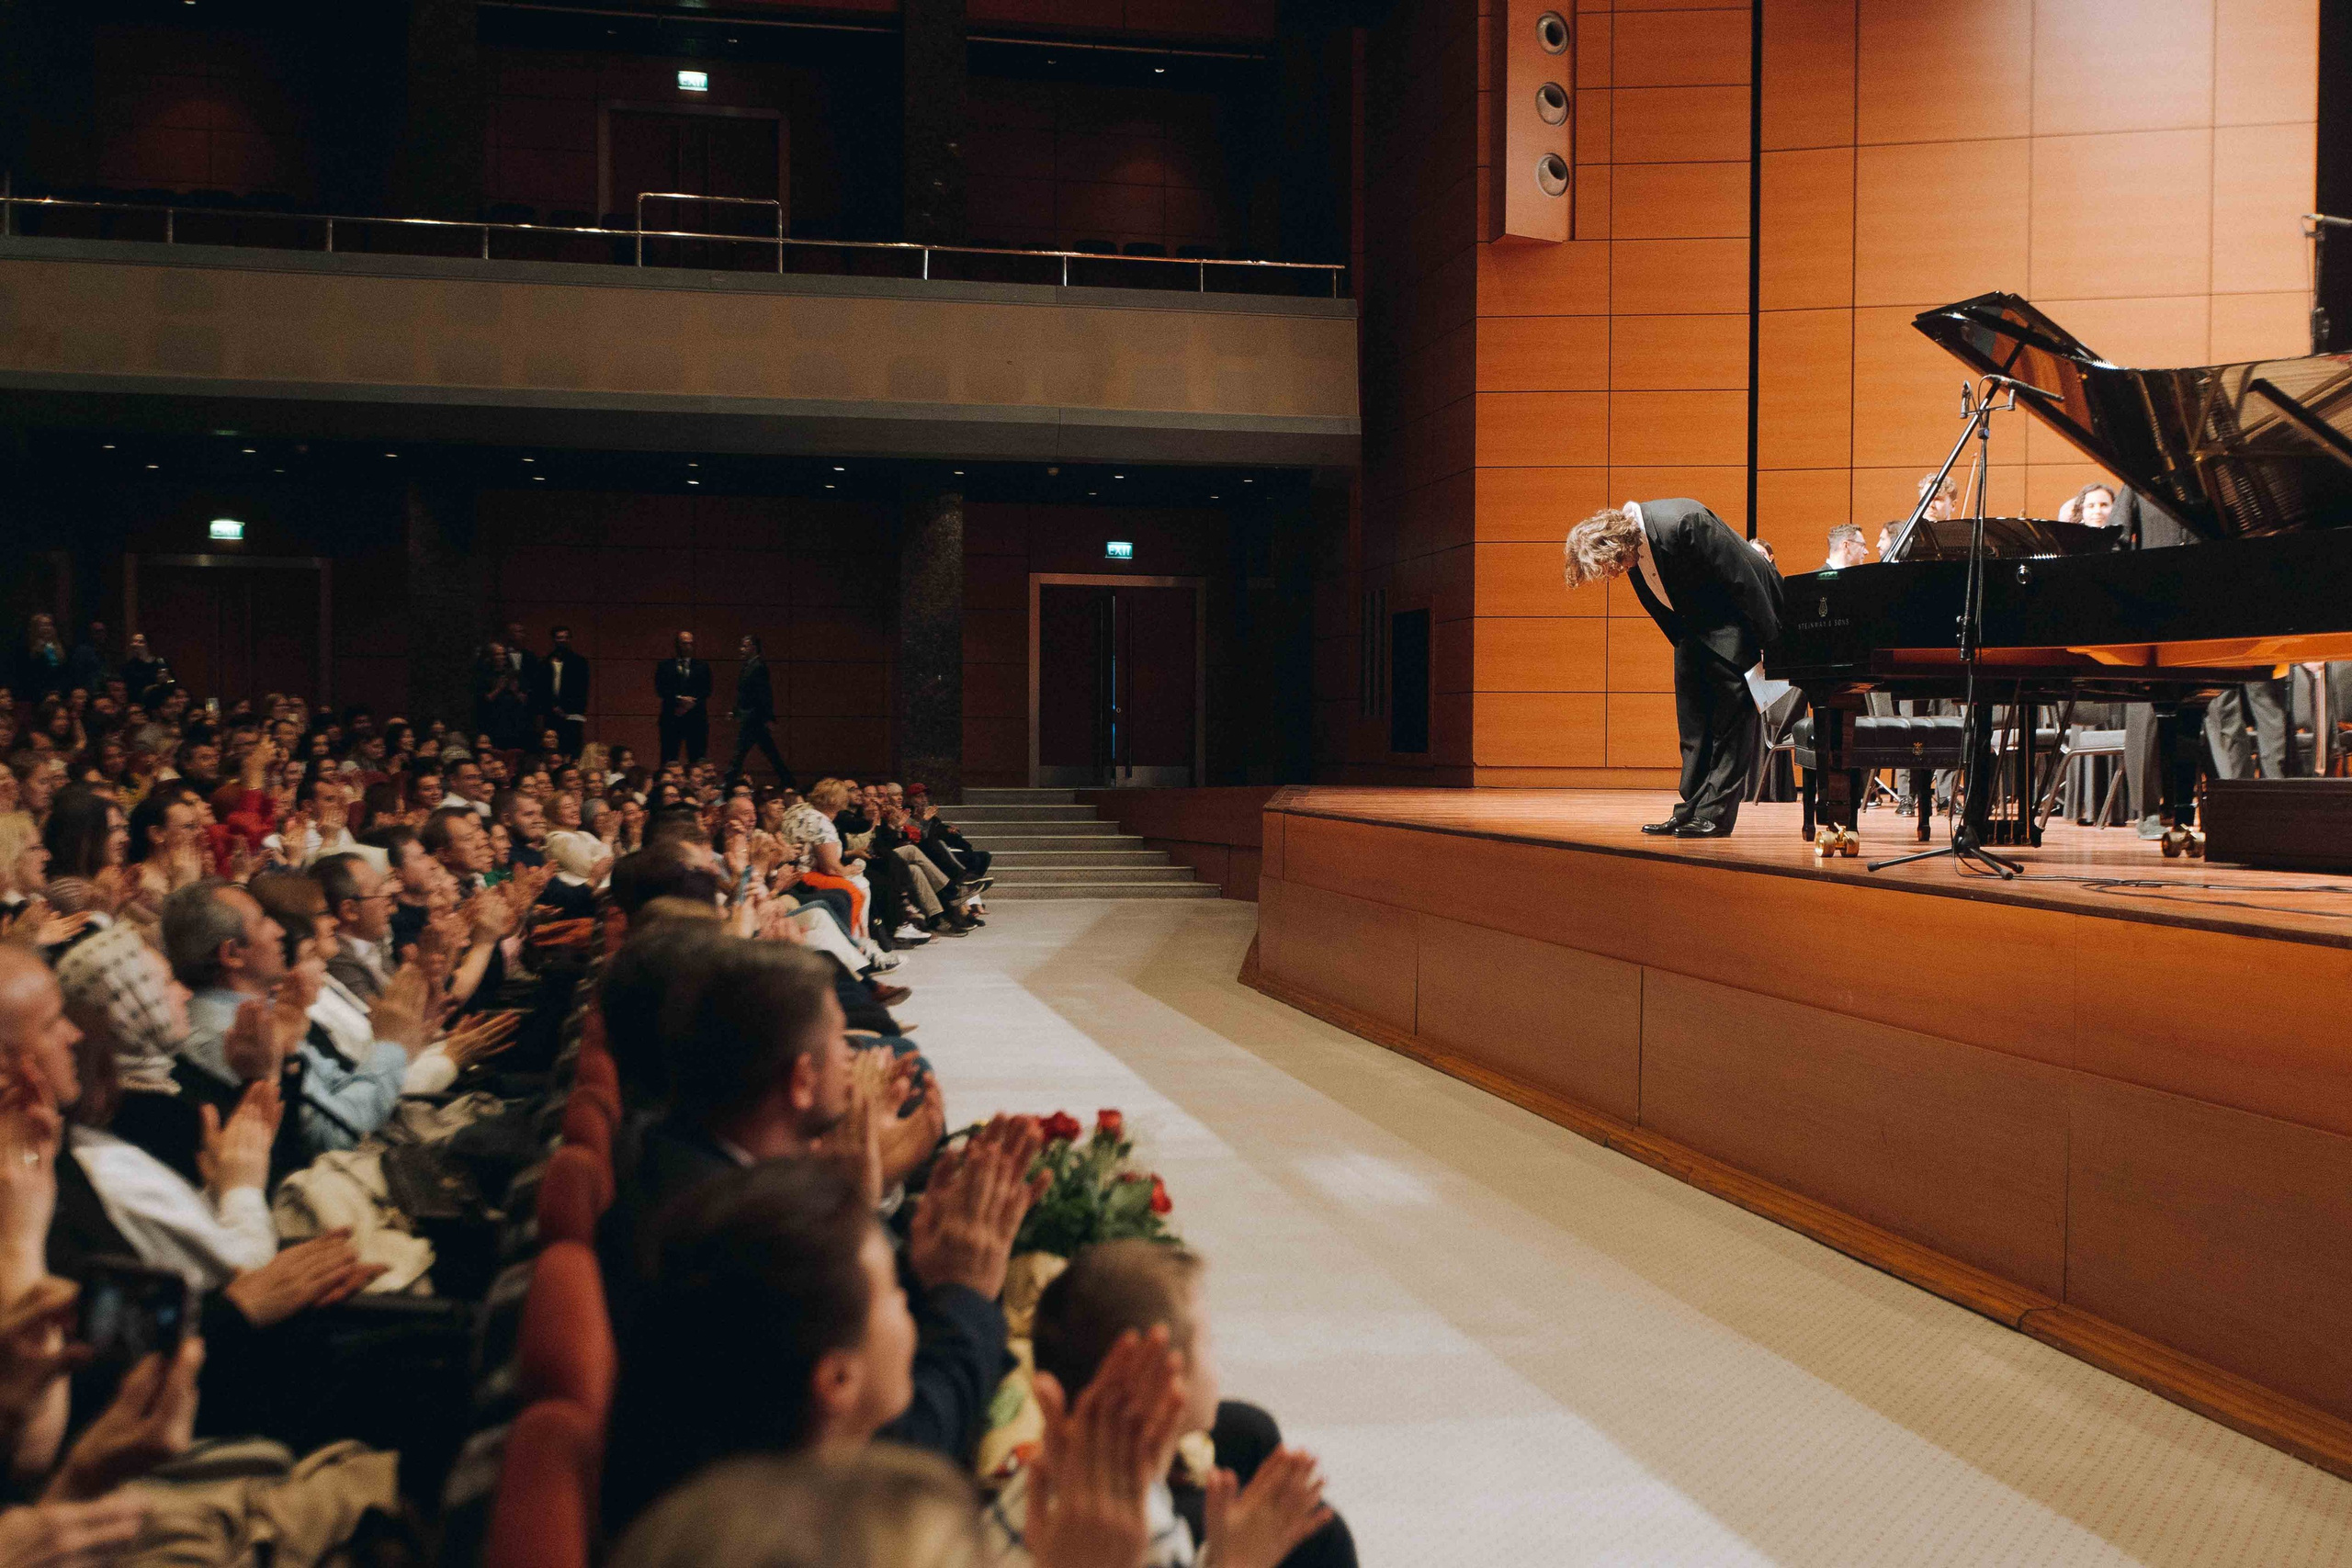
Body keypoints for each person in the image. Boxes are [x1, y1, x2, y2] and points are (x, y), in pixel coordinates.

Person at [997, 1239, 1348, 1568]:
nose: (1218, 1352)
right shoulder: (1144, 1532)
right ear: (1166, 1383)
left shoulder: (1044, 1472)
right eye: (1209, 1341)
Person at [1564, 501, 1783, 837]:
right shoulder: (1634, 549)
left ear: (1616, 542)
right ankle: (1691, 809)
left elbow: (1744, 580)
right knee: (1693, 729)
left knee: (1731, 728)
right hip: (1693, 635)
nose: (1613, 575)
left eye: (1609, 567)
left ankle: (1715, 815)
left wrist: (1772, 644)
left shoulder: (1683, 523)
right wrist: (1685, 646)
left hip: (1736, 626)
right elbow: (1661, 603)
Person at [728, 634, 793, 788]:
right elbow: (745, 694)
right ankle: (788, 780)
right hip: (752, 718)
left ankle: (728, 784)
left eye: (745, 646)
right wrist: (736, 711)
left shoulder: (758, 667)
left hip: (753, 719)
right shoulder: (749, 665)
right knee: (770, 752)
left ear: (753, 648)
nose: (741, 649)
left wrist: (767, 717)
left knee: (739, 754)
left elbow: (763, 694)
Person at [656, 632, 713, 765]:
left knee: (697, 760)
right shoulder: (665, 666)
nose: (688, 647)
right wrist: (679, 700)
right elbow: (660, 689)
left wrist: (690, 703)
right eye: (684, 643)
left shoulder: (702, 666)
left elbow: (707, 690)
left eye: (690, 643)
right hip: (671, 718)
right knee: (669, 758)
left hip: (696, 719)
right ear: (677, 645)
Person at [535, 626, 592, 758]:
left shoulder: (579, 662)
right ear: (554, 640)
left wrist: (566, 708)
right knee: (552, 750)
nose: (562, 641)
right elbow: (542, 688)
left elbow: (582, 689)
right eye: (559, 638)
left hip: (571, 713)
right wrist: (552, 706)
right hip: (551, 713)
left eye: (565, 638)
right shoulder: (545, 662)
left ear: (570, 639)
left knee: (571, 751)